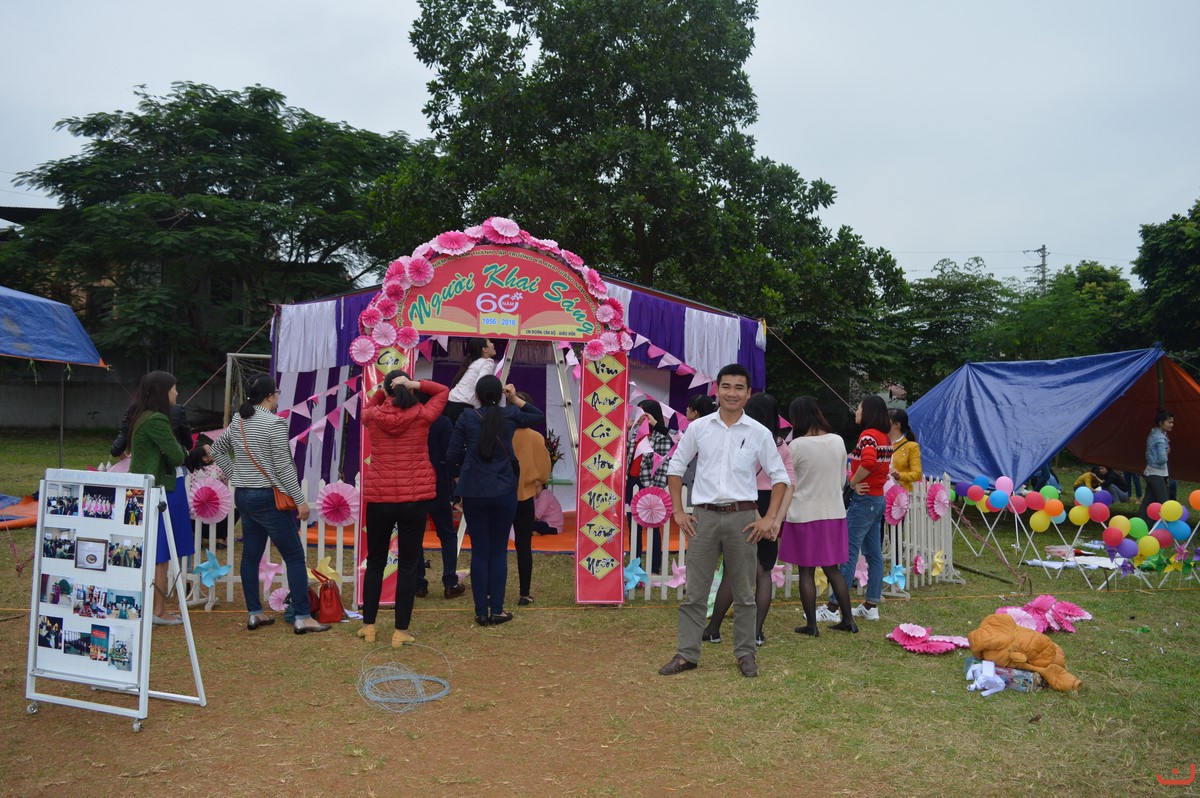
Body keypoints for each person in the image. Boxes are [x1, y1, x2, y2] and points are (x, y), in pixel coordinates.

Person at [659, 364, 789, 679]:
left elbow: (780, 477)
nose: (732, 393)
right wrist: (678, 512)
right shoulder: (699, 428)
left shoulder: (758, 433)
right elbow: (675, 467)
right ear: (716, 390)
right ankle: (687, 654)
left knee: (744, 592)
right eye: (726, 386)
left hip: (743, 519)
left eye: (739, 387)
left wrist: (770, 518)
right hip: (703, 518)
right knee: (695, 592)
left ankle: (745, 654)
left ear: (748, 393)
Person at [211, 375, 328, 634]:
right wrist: (299, 499)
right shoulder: (274, 423)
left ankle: (255, 612)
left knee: (250, 556)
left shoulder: (239, 420)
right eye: (276, 393)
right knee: (294, 556)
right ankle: (302, 616)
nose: (278, 397)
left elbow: (216, 449)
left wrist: (236, 474)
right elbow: (284, 467)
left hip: (244, 495)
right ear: (269, 396)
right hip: (268, 497)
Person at [358, 370, 449, 647]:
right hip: (414, 499)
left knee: (375, 562)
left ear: (387, 391)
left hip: (380, 498)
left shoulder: (373, 416)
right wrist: (414, 384)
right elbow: (443, 391)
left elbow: (366, 408)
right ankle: (400, 631)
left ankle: (369, 626)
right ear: (409, 390)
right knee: (409, 565)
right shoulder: (423, 415)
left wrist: (382, 391)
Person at [447, 375, 544, 626]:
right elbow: (537, 415)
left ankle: (481, 611)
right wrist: (514, 399)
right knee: (499, 550)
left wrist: (460, 476)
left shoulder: (467, 417)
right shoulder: (510, 414)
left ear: (477, 396)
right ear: (500, 395)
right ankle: (497, 609)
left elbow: (452, 453)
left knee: (480, 551)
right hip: (504, 490)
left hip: (474, 491)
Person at [703, 393, 795, 647]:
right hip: (772, 505)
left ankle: (713, 629)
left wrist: (757, 516)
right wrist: (775, 521)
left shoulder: (743, 442)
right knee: (764, 572)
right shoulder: (781, 446)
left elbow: (737, 483)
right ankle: (756, 633)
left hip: (746, 507)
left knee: (733, 571)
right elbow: (789, 484)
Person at [122, 371, 195, 625]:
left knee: (152, 551)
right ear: (163, 392)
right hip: (160, 491)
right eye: (174, 388)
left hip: (146, 489)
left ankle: (152, 606)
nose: (177, 393)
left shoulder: (142, 416)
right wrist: (180, 449)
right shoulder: (157, 420)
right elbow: (177, 456)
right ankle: (158, 610)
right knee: (161, 553)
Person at [780, 397, 858, 635]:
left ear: (796, 418)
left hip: (804, 512)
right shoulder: (837, 441)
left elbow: (788, 482)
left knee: (806, 570)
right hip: (833, 511)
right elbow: (843, 479)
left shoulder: (796, 446)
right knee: (833, 569)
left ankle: (812, 625)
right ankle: (848, 619)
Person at [819, 394, 892, 623]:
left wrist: (852, 482)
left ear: (868, 412)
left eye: (859, 408)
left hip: (864, 501)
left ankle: (833, 607)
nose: (856, 412)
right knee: (874, 555)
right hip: (877, 499)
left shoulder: (868, 435)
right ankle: (871, 606)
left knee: (848, 552)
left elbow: (869, 462)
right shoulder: (885, 437)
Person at [415, 389, 467, 600]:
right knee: (447, 534)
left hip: (415, 485)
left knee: (414, 535)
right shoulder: (442, 422)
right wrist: (457, 483)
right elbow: (451, 455)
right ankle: (450, 582)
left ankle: (419, 583)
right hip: (438, 485)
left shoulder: (410, 421)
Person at [511, 392, 552, 606]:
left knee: (495, 546)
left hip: (501, 494)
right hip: (525, 496)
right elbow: (544, 468)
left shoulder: (501, 432)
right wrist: (537, 482)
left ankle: (491, 592)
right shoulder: (535, 437)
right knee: (524, 545)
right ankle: (524, 593)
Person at [626, 399, 674, 574]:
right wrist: (628, 427)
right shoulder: (635, 432)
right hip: (631, 481)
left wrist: (656, 489)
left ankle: (654, 567)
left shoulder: (661, 436)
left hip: (649, 484)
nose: (639, 417)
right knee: (633, 527)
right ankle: (635, 565)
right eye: (638, 412)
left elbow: (664, 462)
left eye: (643, 413)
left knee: (652, 526)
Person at [444, 337, 496, 423]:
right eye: (490, 342)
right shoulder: (487, 362)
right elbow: (482, 385)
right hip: (462, 407)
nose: (493, 344)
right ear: (485, 349)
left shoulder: (473, 362)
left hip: (450, 403)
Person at [1138, 409, 1173, 521]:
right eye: (1169, 422)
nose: (1172, 424)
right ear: (1161, 423)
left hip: (1151, 471)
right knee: (1164, 502)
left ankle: (1142, 524)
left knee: (1148, 500)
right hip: (1156, 473)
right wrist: (1167, 452)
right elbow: (1162, 459)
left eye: (1172, 422)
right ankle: (1168, 525)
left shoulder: (1154, 433)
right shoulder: (1160, 438)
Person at [888, 408, 922, 492]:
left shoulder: (912, 447)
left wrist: (899, 475)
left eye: (886, 421)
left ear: (896, 425)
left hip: (901, 494)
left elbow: (917, 474)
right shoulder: (880, 444)